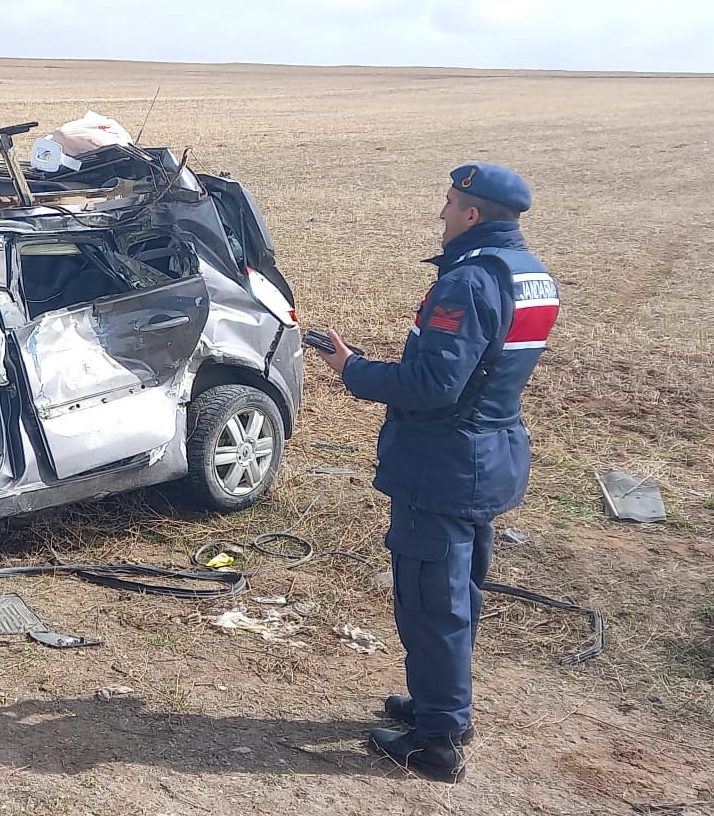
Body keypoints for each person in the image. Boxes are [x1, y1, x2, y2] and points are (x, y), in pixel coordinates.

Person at [315, 163, 559, 783]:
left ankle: (436, 742)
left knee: (432, 602)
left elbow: (434, 384)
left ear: (472, 214)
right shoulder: (530, 275)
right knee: (459, 596)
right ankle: (439, 704)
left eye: (449, 203)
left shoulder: (469, 283)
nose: (441, 214)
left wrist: (354, 369)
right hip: (490, 454)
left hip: (444, 464)